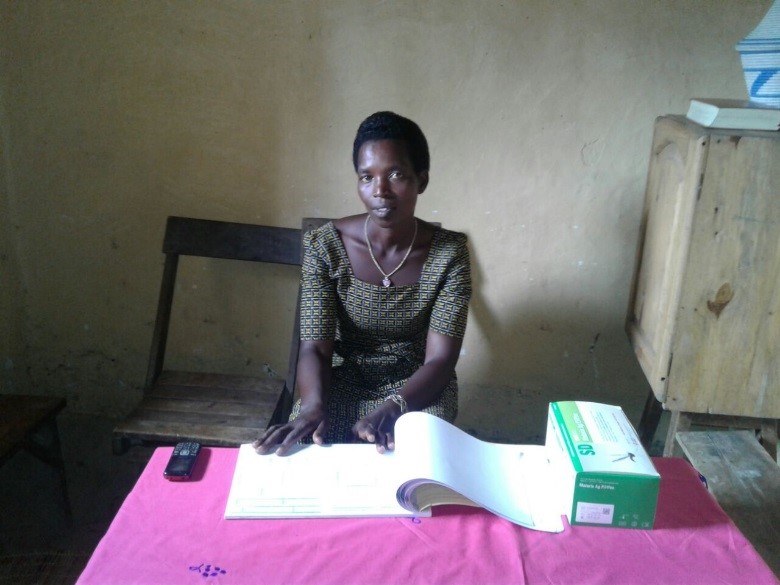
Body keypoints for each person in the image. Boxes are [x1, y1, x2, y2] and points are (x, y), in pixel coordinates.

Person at [254, 111, 471, 455]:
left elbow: (440, 361)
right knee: (308, 451)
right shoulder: (324, 246)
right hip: (342, 382)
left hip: (418, 389)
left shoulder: (449, 253)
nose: (380, 191)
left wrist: (393, 407)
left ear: (422, 180)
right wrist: (312, 405)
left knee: (417, 461)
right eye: (366, 177)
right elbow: (314, 348)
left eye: (396, 174)